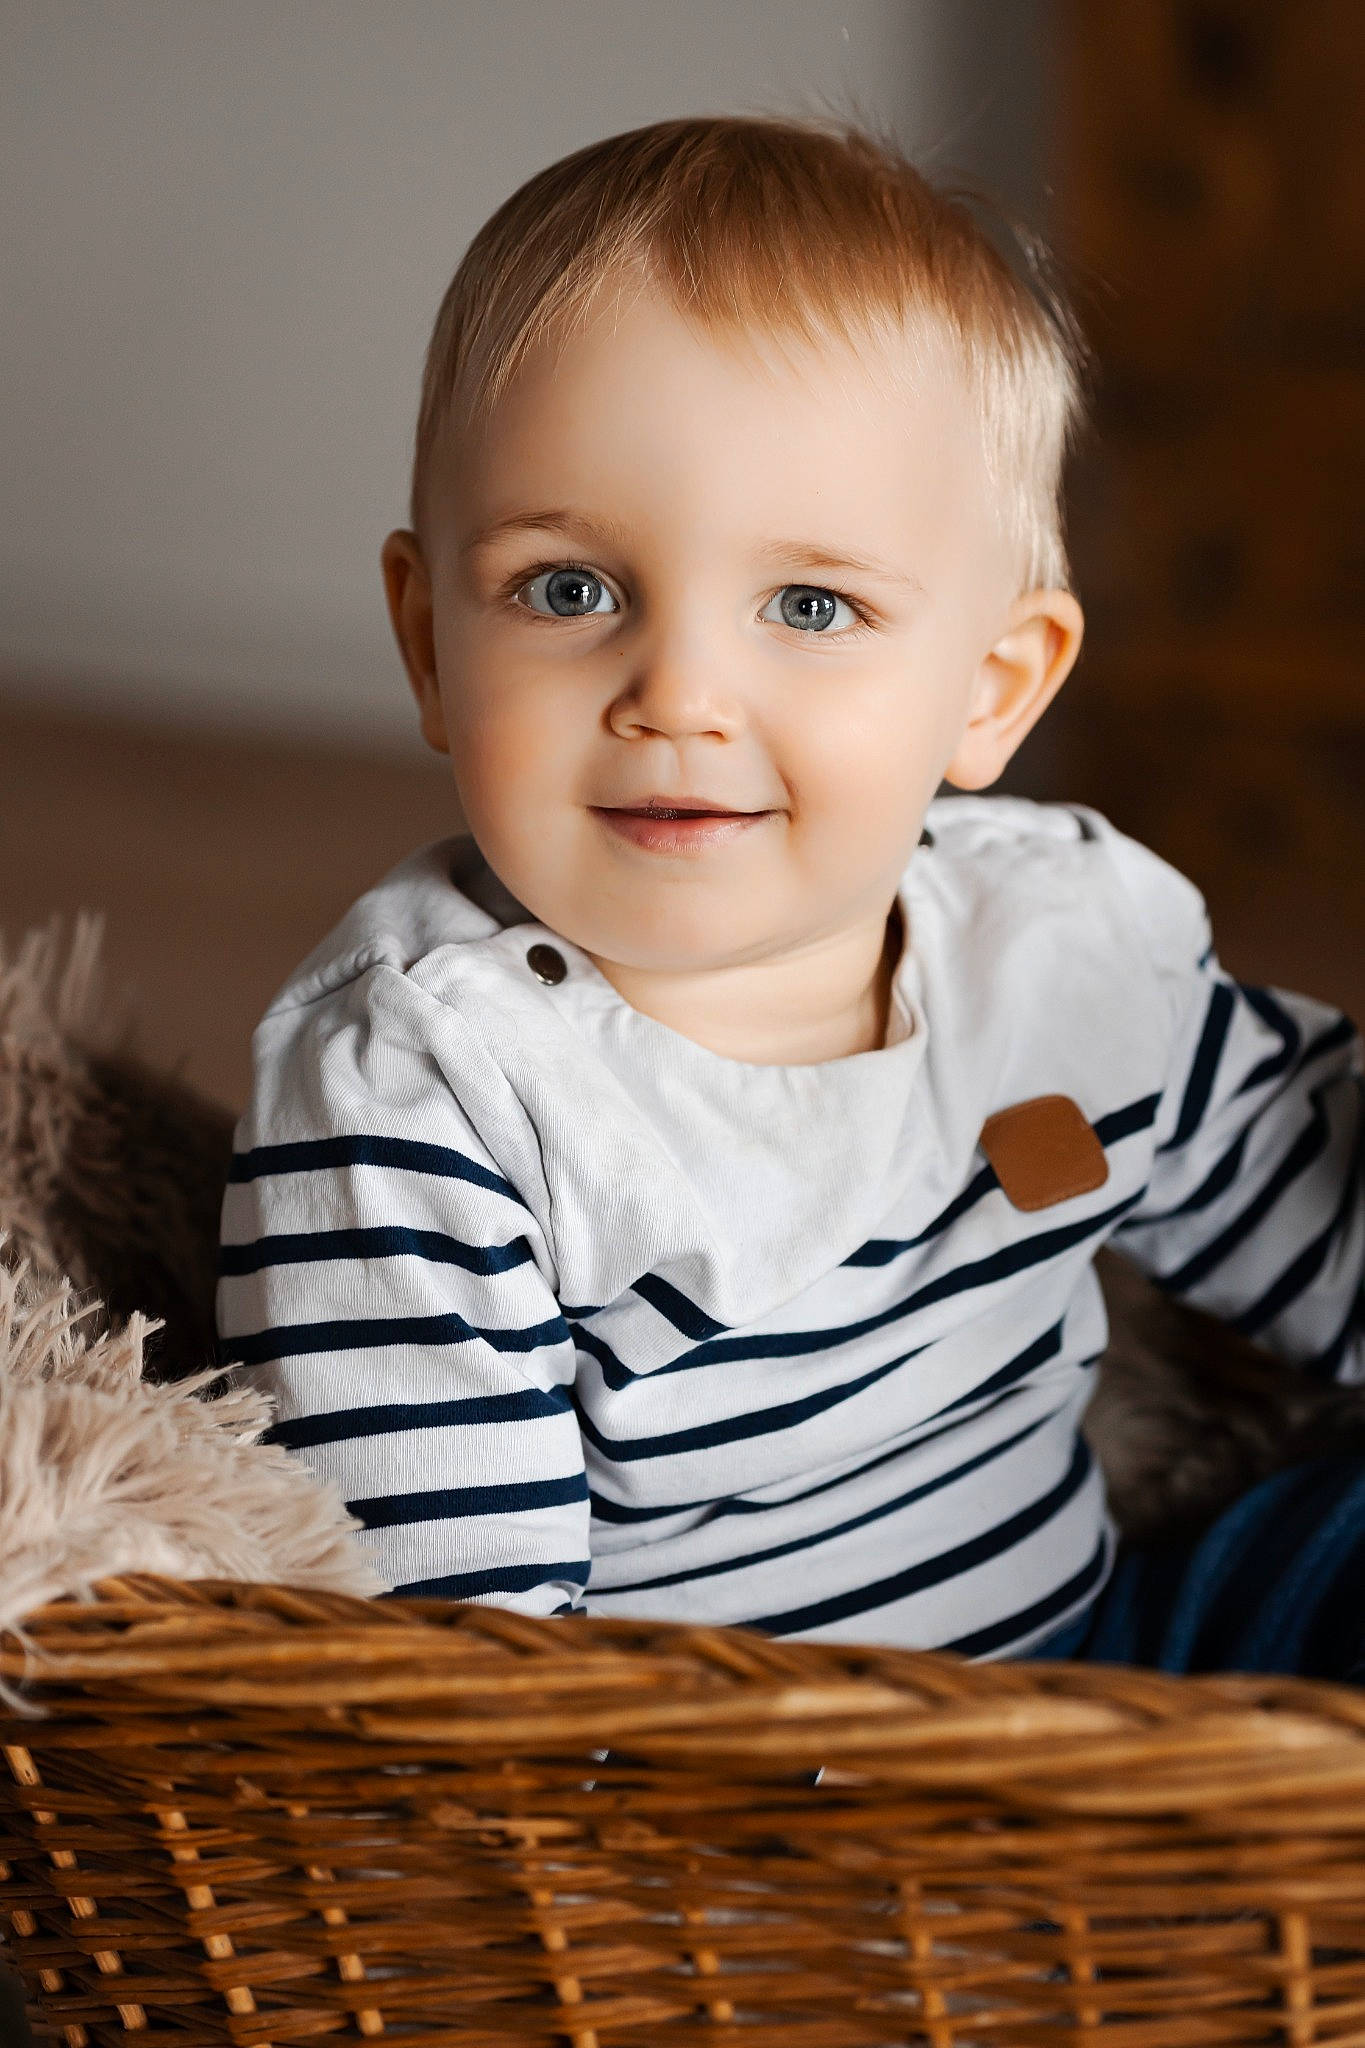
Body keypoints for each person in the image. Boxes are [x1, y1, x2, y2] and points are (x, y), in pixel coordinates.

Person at [216, 114, 1364, 1674]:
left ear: (989, 688)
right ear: (430, 644)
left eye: (810, 605)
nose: (677, 693)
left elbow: (1310, 1202)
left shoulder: (1065, 950)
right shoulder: (432, 1086)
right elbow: (459, 1676)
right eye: (570, 589)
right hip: (731, 1815)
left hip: (1101, 1683)